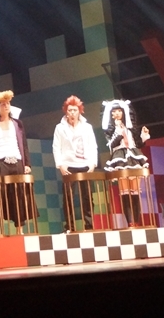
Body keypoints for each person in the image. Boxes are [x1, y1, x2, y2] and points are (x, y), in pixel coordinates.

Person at [0, 90, 34, 234]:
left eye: (8, 103)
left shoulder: (17, 124)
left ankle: (19, 229)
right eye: (3, 104)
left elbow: (24, 144)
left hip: (17, 162)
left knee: (18, 196)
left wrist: (27, 164)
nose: (6, 106)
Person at [101, 99, 149, 227]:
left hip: (134, 158)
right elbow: (112, 144)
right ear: (111, 114)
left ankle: (136, 222)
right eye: (114, 111)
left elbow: (138, 144)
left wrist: (144, 135)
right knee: (125, 193)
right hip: (120, 159)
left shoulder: (129, 127)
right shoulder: (110, 130)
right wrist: (118, 132)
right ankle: (130, 222)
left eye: (119, 111)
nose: (117, 113)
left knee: (135, 193)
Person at [52, 95, 97, 231]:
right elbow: (56, 147)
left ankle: (89, 225)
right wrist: (60, 165)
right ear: (66, 111)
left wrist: (93, 163)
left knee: (87, 196)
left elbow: (93, 145)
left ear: (79, 111)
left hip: (85, 165)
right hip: (68, 165)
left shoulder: (87, 127)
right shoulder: (60, 127)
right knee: (68, 198)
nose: (72, 113)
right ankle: (69, 226)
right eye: (70, 110)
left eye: (75, 110)